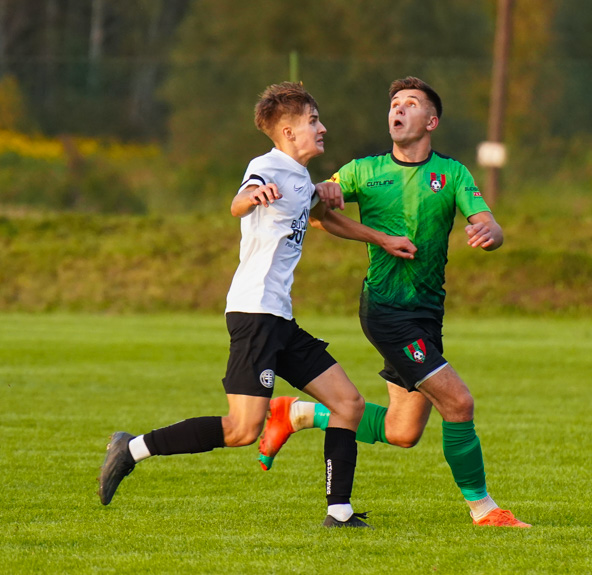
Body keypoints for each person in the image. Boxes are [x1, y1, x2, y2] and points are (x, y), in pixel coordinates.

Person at [98, 82, 417, 528]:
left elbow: (328, 220)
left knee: (347, 403)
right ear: (287, 131)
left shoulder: (301, 178)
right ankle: (131, 448)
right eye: (313, 121)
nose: (322, 128)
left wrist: (382, 238)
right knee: (242, 430)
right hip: (255, 315)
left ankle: (339, 513)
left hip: (279, 318)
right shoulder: (266, 166)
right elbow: (240, 200)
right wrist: (250, 197)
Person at [257, 76, 530, 528]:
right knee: (459, 404)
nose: (397, 110)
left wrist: (490, 233)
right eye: (393, 104)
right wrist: (327, 193)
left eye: (410, 104)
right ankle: (485, 511)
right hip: (387, 310)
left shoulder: (453, 174)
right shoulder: (364, 170)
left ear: (431, 121)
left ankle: (297, 412)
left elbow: (489, 223)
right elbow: (320, 208)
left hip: (426, 313)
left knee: (403, 432)